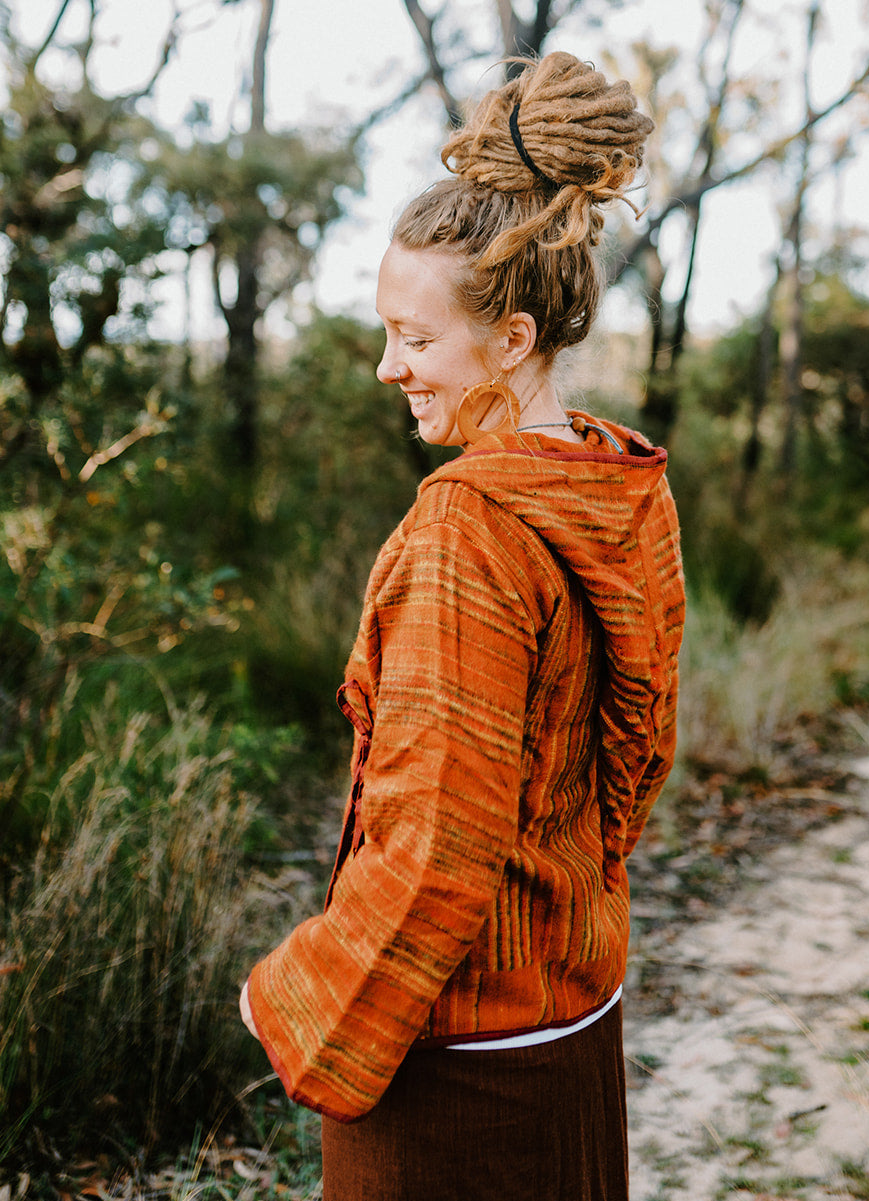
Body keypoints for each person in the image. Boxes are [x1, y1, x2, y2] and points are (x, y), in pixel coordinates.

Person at [239, 51, 685, 1201]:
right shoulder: (617, 486)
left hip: (459, 1069)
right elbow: (634, 760)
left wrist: (295, 990)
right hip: (572, 1015)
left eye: (417, 340)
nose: (390, 367)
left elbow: (436, 838)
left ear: (516, 339)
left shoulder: (467, 532)